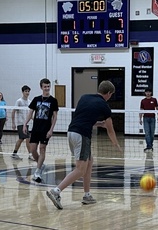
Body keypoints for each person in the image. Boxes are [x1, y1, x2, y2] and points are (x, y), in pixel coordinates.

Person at [47, 80, 121, 209]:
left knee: (89, 162)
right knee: (80, 169)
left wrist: (98, 124)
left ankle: (87, 195)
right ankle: (56, 191)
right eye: (111, 95)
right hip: (82, 135)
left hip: (71, 132)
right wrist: (116, 144)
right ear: (109, 93)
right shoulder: (104, 106)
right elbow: (110, 129)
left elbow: (84, 118)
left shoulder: (84, 97)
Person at [27, 77, 59, 182]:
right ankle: (41, 165)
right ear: (41, 87)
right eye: (45, 87)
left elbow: (55, 116)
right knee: (32, 150)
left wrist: (51, 130)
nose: (47, 88)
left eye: (48, 86)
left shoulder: (53, 101)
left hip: (46, 129)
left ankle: (37, 171)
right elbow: (30, 113)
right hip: (36, 128)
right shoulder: (36, 99)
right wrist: (24, 124)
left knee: (42, 149)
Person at [11, 85, 32, 159]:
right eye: (26, 91)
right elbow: (13, 112)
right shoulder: (19, 101)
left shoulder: (29, 102)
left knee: (24, 139)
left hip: (26, 124)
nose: (27, 92)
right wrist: (13, 123)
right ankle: (29, 155)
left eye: (28, 91)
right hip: (20, 123)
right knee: (25, 139)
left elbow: (30, 113)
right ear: (22, 92)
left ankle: (15, 153)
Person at [140, 87, 158, 151]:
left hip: (152, 118)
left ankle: (150, 145)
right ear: (145, 93)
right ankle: (149, 147)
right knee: (147, 132)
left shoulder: (154, 100)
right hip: (145, 118)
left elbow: (157, 108)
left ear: (151, 93)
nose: (148, 93)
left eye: (149, 92)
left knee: (152, 133)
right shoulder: (143, 101)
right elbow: (141, 110)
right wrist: (140, 119)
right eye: (147, 92)